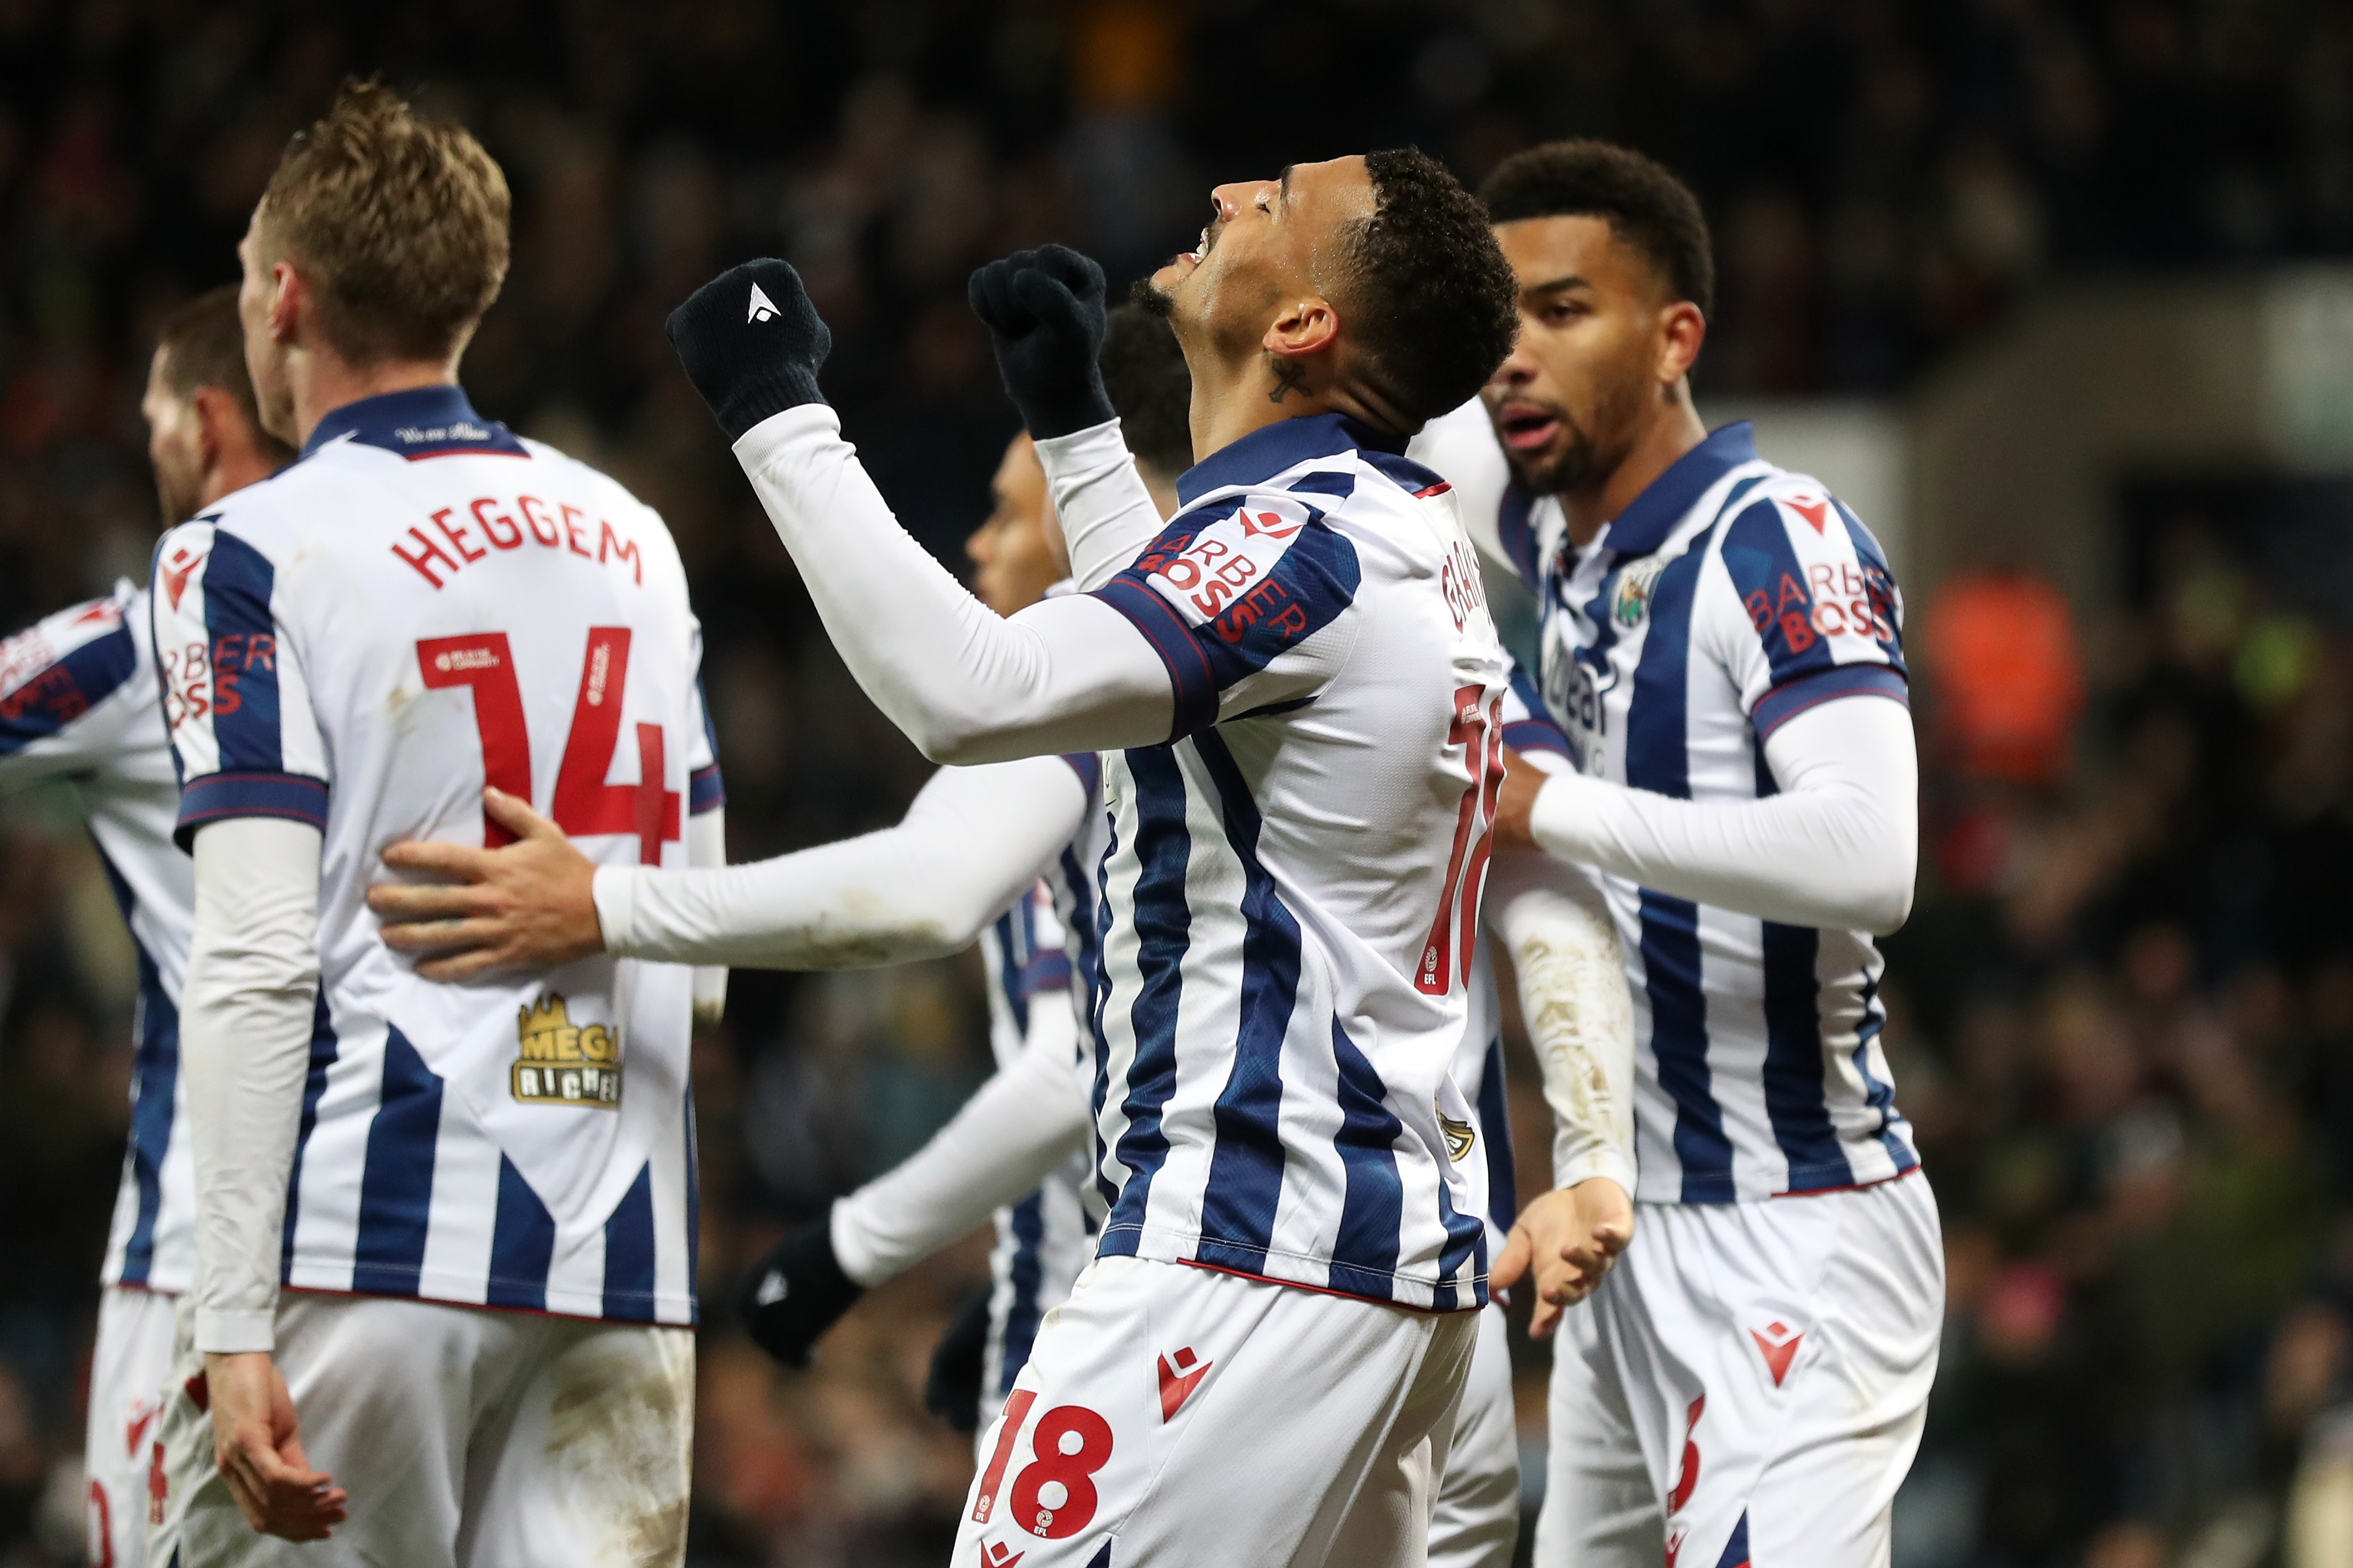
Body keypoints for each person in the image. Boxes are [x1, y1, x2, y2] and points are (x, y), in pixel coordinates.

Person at [370, 288, 1639, 1568]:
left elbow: (924, 888)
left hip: (1243, 1275)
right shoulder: (1415, 587)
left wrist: (604, 908)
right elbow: (1546, 894)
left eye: (1005, 502)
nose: (982, 544)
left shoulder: (1172, 649)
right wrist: (1593, 1147)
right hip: (1418, 1270)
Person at [664, 151, 1520, 1564]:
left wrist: (775, 408)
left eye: (1282, 202)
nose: (1240, 187)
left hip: (1251, 1249)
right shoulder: (1386, 527)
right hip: (1379, 1264)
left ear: (1304, 326)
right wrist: (1075, 430)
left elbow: (974, 692)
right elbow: (1193, 722)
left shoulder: (1299, 542)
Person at [144, 82, 722, 1566]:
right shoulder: (636, 540)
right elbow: (704, 953)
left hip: (369, 1235)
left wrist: (227, 1314)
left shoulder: (245, 548)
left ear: (282, 297)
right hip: (624, 1248)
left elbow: (259, 955)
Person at [1414, 138, 1941, 1568]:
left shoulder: (1780, 541)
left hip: (1795, 1229)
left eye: (1564, 311)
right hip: (1626, 1224)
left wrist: (1548, 803)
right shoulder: (1562, 534)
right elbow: (1400, 440)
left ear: (1674, 338)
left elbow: (1870, 855)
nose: (1513, 359)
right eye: (1494, 323)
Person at [0, 287, 289, 1568]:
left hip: (192, 1242)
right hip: (402, 1228)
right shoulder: (419, 608)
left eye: (157, 416)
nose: (153, 440)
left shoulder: (151, 632)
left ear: (208, 417)